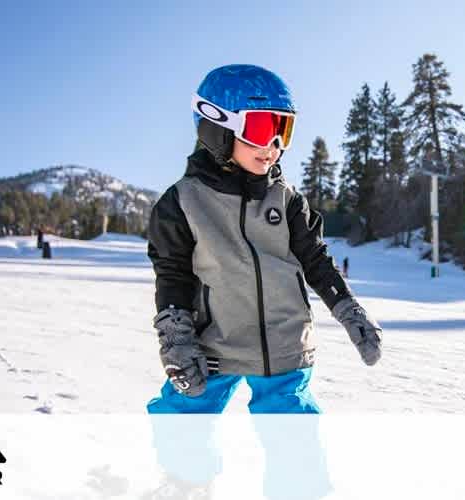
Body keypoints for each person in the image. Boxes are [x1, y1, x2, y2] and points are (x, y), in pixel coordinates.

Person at [146, 64, 383, 415]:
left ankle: (297, 472)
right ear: (218, 127)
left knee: (292, 433)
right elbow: (173, 274)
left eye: (282, 131)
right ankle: (179, 471)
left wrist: (349, 309)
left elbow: (316, 260)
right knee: (184, 421)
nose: (272, 146)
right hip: (214, 346)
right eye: (260, 129)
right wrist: (176, 339)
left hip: (284, 346)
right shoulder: (182, 203)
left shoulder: (286, 200)